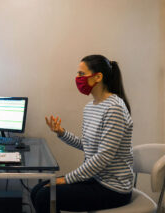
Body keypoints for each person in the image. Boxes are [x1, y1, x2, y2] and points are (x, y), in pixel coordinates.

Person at [31, 55, 133, 212]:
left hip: (113, 188)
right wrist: (62, 133)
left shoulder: (115, 108)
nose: (77, 79)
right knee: (37, 190)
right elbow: (87, 145)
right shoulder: (90, 107)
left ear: (98, 77)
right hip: (96, 179)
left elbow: (103, 157)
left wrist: (67, 179)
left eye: (81, 74)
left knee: (45, 197)